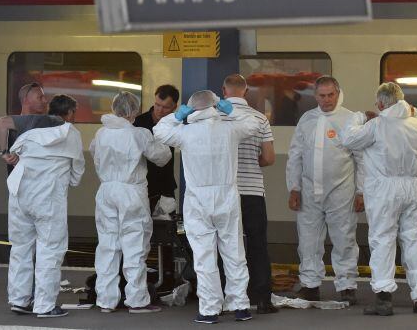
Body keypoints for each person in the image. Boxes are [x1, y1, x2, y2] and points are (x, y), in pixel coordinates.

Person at [154, 90, 260, 324]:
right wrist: (231, 110)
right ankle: (240, 305)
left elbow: (159, 131)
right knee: (234, 252)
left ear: (193, 109)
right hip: (227, 196)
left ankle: (210, 310)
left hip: (197, 200)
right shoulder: (230, 128)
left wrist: (178, 115)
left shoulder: (184, 132)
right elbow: (255, 125)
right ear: (216, 107)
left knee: (204, 256)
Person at [341, 83, 417, 316]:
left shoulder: (376, 125)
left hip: (384, 189)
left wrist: (360, 117)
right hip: (412, 186)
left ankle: (383, 299)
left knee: (382, 240)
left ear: (380, 104)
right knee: (414, 240)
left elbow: (348, 139)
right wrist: (413, 113)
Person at [90, 91, 172, 314]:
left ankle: (106, 299)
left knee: (107, 245)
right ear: (134, 111)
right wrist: (163, 138)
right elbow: (162, 157)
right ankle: (136, 300)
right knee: (134, 244)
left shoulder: (100, 133)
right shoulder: (140, 134)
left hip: (106, 190)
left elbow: (95, 155)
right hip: (131, 192)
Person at [5, 94, 84, 318]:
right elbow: (77, 170)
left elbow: (15, 155)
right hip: (48, 198)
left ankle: (19, 300)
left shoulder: (30, 131)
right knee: (50, 249)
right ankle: (45, 305)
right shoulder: (71, 133)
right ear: (69, 114)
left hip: (20, 194)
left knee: (20, 247)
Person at [286, 75, 363, 304]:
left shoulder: (350, 120)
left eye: (331, 95)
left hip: (341, 191)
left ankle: (347, 285)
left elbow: (361, 160)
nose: (327, 99)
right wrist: (294, 188)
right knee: (308, 240)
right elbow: (295, 156)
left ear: (338, 94)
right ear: (315, 95)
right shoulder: (307, 120)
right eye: (322, 95)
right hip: (309, 191)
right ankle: (310, 285)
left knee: (344, 238)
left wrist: (361, 192)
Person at [222, 74, 278, 314]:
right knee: (257, 244)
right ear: (245, 92)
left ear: (224, 91)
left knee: (224, 245)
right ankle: (263, 298)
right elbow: (269, 158)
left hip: (224, 191)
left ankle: (225, 296)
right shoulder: (259, 118)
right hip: (253, 191)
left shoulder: (215, 117)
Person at [0, 83, 64, 171]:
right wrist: (5, 154)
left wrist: (4, 154)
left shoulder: (48, 120)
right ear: (26, 100)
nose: (45, 101)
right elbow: (1, 122)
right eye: (40, 98)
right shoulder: (31, 120)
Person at [133, 84, 180, 213]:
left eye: (165, 107)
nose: (159, 110)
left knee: (168, 228)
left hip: (166, 186)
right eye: (157, 105)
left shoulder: (177, 124)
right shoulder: (138, 122)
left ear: (175, 107)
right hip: (143, 185)